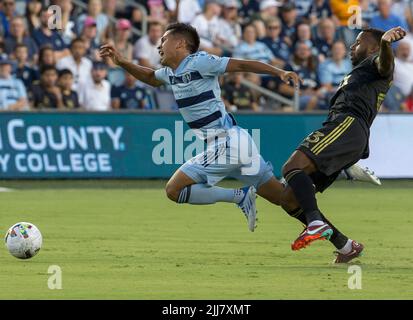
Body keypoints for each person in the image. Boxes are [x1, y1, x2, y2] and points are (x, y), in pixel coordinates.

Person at [99, 22, 378, 237]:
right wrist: (122, 62)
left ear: (181, 44)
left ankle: (239, 195)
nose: (158, 45)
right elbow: (149, 76)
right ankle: (341, 184)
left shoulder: (200, 62)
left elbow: (242, 64)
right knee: (285, 197)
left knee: (174, 189)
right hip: (232, 145)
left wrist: (279, 73)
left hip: (228, 143)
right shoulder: (171, 73)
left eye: (163, 40)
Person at [278, 27, 406, 263]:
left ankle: (316, 222)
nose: (351, 46)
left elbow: (386, 65)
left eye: (358, 42)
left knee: (291, 167)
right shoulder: (361, 71)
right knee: (289, 198)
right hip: (345, 131)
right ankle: (346, 246)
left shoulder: (376, 64)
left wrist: (387, 43)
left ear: (375, 48)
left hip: (348, 125)